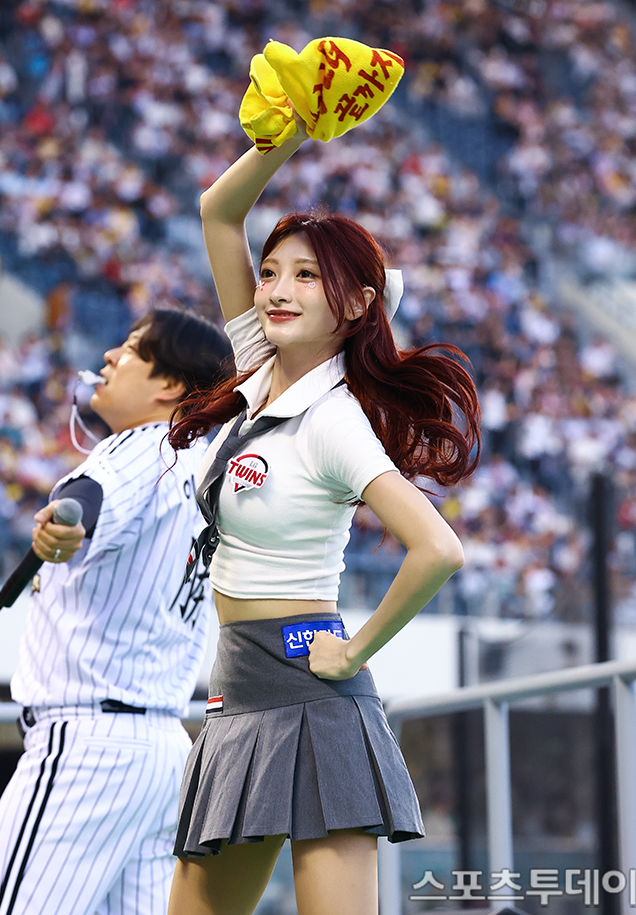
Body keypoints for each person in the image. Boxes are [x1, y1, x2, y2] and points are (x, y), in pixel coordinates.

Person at [166, 114, 481, 915]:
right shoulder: (257, 363)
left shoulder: (335, 418)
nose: (276, 289)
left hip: (313, 691)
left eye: (306, 276)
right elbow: (218, 212)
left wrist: (355, 649)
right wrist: (293, 131)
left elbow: (438, 547)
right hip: (235, 688)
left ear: (357, 303)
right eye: (272, 271)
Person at [0, 309, 230, 915]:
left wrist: (66, 526)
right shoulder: (206, 468)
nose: (108, 357)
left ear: (170, 386)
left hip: (89, 749)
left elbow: (89, 499)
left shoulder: (147, 442)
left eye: (130, 349)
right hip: (163, 755)